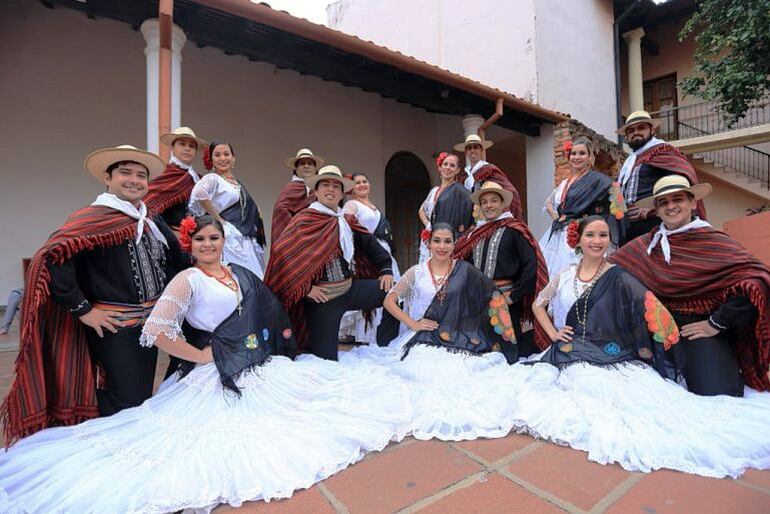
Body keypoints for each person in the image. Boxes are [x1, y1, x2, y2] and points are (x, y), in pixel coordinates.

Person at [0, 215, 411, 513]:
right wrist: (198, 356)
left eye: (214, 238)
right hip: (215, 370)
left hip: (252, 361)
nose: (209, 245)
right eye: (201, 241)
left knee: (319, 401)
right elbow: (158, 331)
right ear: (190, 246)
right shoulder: (187, 280)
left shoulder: (237, 274)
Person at [501, 214, 770, 477]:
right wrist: (554, 332)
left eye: (603, 235)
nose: (597, 241)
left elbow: (646, 307)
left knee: (614, 400)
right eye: (590, 235)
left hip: (607, 352)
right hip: (568, 349)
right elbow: (539, 304)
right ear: (578, 240)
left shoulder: (619, 275)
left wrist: (673, 336)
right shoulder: (564, 274)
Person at [1, 145, 189, 442]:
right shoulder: (93, 218)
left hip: (150, 327)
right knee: (128, 400)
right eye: (125, 173)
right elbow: (55, 259)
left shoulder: (151, 219)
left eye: (141, 175)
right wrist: (84, 310)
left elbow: (177, 258)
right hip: (116, 327)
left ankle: (114, 438)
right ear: (107, 177)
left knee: (139, 394)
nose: (134, 180)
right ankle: (80, 423)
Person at [340, 222, 521, 441]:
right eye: (437, 241)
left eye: (447, 241)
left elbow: (487, 296)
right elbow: (389, 300)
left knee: (465, 377)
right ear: (428, 242)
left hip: (455, 340)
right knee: (425, 377)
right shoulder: (416, 273)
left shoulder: (465, 272)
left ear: (455, 244)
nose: (442, 246)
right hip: (422, 340)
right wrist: (413, 323)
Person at [610, 175, 770, 397]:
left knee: (719, 394)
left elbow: (758, 279)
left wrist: (717, 322)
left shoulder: (715, 241)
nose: (671, 206)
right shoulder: (647, 244)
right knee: (634, 386)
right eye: (663, 202)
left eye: (678, 199)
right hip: (656, 326)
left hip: (699, 327)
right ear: (656, 209)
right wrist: (562, 280)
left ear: (693, 203)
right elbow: (610, 267)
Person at [265, 165, 397, 359]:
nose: (331, 189)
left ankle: (388, 347)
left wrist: (386, 269)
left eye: (336, 186)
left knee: (395, 293)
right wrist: (306, 289)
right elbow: (282, 256)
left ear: (342, 193)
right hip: (323, 302)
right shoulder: (305, 219)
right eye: (325, 185)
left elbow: (371, 245)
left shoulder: (347, 219)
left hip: (350, 290)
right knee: (325, 360)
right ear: (316, 191)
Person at [454, 181, 549, 357]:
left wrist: (514, 296)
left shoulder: (514, 229)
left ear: (502, 203)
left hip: (505, 299)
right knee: (481, 348)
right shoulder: (475, 235)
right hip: (478, 300)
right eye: (484, 202)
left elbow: (531, 266)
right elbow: (463, 266)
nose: (489, 205)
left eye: (494, 201)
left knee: (508, 351)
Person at [538, 137, 626, 277]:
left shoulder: (599, 180)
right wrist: (559, 218)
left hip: (581, 234)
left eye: (582, 153)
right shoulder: (565, 183)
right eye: (573, 153)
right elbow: (548, 203)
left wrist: (604, 226)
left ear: (590, 157)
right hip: (558, 235)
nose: (577, 157)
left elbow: (618, 200)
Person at [616, 110, 705, 242]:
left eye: (641, 128)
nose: (635, 133)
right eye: (631, 130)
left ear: (652, 130)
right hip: (627, 227)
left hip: (655, 223)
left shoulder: (663, 151)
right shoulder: (629, 162)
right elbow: (617, 192)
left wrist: (652, 207)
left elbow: (679, 184)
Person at [189, 140, 267, 278]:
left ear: (233, 158)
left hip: (243, 236)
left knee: (252, 277)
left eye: (226, 154)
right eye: (217, 155)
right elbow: (200, 194)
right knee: (237, 276)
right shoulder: (213, 178)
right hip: (230, 235)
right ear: (211, 160)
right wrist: (218, 219)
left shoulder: (235, 182)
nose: (222, 158)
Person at [339, 172, 401, 345]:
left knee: (391, 290)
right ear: (351, 187)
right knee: (376, 289)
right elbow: (346, 225)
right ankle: (367, 334)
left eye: (364, 181)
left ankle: (383, 333)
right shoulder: (352, 204)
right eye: (357, 182)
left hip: (384, 251)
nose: (362, 185)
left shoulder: (374, 206)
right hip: (368, 253)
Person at [144, 126, 208, 232]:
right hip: (168, 239)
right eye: (182, 144)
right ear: (172, 148)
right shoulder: (162, 174)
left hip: (196, 239)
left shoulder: (199, 180)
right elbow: (148, 208)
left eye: (191, 146)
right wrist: (170, 232)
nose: (187, 148)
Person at [417, 152, 474, 262]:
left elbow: (471, 212)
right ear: (440, 167)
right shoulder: (434, 191)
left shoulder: (460, 191)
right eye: (445, 164)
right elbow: (421, 210)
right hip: (430, 239)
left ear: (457, 170)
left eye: (452, 165)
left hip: (445, 242)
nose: (448, 167)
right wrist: (429, 227)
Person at [453, 134, 523, 219]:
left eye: (476, 147)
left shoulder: (489, 170)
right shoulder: (464, 176)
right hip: (468, 217)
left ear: (481, 150)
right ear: (465, 152)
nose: (472, 150)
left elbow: (511, 191)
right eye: (469, 148)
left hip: (486, 214)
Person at [271, 148, 323, 246]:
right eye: (302, 163)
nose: (306, 166)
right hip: (296, 236)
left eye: (310, 163)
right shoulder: (290, 188)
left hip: (318, 236)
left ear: (315, 168)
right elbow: (281, 210)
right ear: (296, 168)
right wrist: (297, 228)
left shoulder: (320, 188)